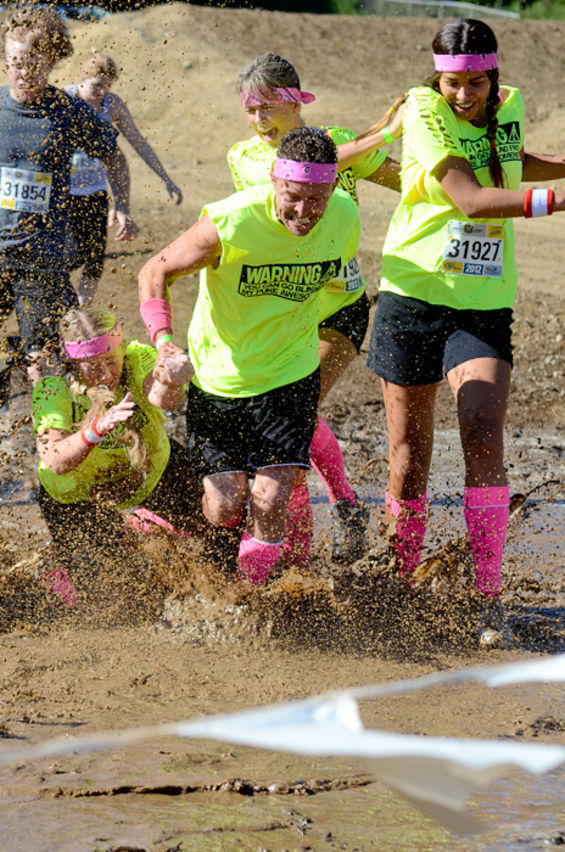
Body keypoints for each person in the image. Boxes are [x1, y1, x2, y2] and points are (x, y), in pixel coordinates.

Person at [366, 17, 565, 643]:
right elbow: (473, 199)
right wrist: (560, 200)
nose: (462, 94)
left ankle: (486, 597)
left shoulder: (510, 107)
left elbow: (508, 162)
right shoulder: (423, 109)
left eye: (474, 81)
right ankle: (400, 586)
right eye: (452, 81)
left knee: (482, 431)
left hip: (482, 299)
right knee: (408, 459)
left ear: (493, 74)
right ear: (437, 76)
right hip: (412, 294)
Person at [139, 126, 360, 587]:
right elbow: (155, 269)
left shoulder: (344, 218)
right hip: (219, 379)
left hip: (289, 375)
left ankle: (250, 597)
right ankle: (198, 527)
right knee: (225, 507)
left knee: (271, 499)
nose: (305, 212)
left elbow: (336, 288)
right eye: (294, 197)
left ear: (333, 187)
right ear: (275, 182)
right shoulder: (231, 222)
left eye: (317, 198)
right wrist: (164, 341)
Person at [228, 52, 402, 566]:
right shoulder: (246, 156)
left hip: (341, 309)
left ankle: (296, 555)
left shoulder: (341, 143)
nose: (259, 122)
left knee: (291, 422)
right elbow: (308, 167)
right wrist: (381, 134)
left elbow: (408, 181)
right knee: (288, 423)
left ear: (297, 100)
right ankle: (344, 504)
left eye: (268, 108)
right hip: (282, 312)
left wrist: (471, 176)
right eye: (250, 111)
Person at [0, 6, 137, 384]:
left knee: (45, 362)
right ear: (5, 60)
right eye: (17, 62)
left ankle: (50, 434)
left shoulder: (68, 111)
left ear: (51, 61)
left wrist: (122, 205)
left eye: (35, 63)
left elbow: (114, 157)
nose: (25, 72)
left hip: (41, 259)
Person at [32, 306, 203, 604]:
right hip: (76, 495)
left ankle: (138, 521)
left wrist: (170, 380)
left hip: (151, 473)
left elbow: (164, 400)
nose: (105, 374)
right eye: (90, 366)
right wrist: (96, 429)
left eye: (111, 360)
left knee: (218, 530)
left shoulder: (138, 359)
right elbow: (55, 460)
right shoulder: (52, 388)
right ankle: (56, 568)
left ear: (122, 348)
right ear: (73, 365)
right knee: (113, 600)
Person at [66, 50, 183, 306]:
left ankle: (80, 313)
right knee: (66, 256)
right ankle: (55, 312)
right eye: (98, 86)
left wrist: (165, 178)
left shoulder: (112, 104)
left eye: (107, 87)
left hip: (95, 192)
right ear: (83, 77)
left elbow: (138, 142)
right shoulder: (64, 99)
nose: (102, 93)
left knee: (95, 259)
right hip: (63, 193)